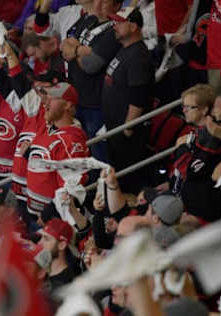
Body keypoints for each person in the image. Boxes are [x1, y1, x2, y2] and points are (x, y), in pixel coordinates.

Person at [59, 0, 123, 161]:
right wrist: (79, 50)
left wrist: (74, 49)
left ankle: (101, 185)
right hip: (77, 99)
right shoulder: (88, 21)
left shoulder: (113, 31)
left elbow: (91, 65)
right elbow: (63, 46)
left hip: (96, 104)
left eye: (104, 2)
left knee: (97, 154)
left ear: (116, 6)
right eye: (97, 1)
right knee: (78, 149)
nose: (98, 5)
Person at [101, 7, 155, 193]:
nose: (114, 26)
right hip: (114, 128)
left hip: (127, 135)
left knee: (127, 182)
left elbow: (138, 97)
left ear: (133, 26)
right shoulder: (125, 50)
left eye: (119, 22)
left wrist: (128, 128)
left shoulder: (138, 56)